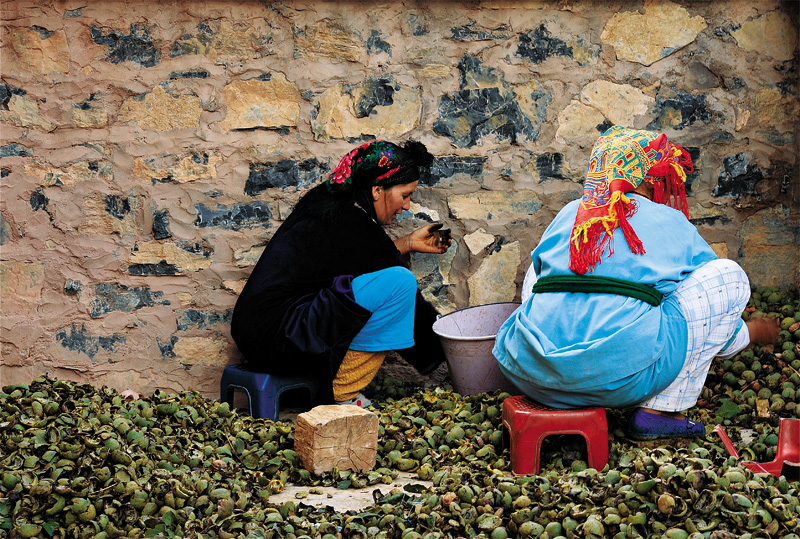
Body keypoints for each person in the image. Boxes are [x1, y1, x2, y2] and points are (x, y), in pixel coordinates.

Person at [492, 126, 777, 439]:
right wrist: (745, 334)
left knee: (541, 271)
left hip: (531, 375)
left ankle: (561, 373)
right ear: (647, 177)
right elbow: (710, 310)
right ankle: (658, 412)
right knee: (728, 276)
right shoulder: (667, 219)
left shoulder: (568, 213)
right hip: (622, 382)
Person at [231, 140, 451, 408]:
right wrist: (449, 352)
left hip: (261, 333)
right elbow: (387, 279)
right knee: (401, 283)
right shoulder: (349, 222)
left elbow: (361, 264)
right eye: (404, 195)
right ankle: (342, 394)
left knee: (384, 286)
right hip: (279, 337)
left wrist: (406, 244)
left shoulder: (329, 204)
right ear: (377, 190)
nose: (406, 206)